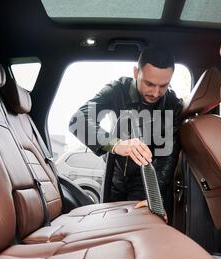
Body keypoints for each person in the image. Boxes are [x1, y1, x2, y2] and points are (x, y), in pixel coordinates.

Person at [68, 46, 183, 221]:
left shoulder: (172, 104)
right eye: (149, 84)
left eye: (163, 86)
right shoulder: (117, 90)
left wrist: (154, 197)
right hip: (115, 177)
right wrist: (115, 144)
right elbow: (78, 120)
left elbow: (167, 157)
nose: (156, 93)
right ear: (136, 72)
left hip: (148, 181)